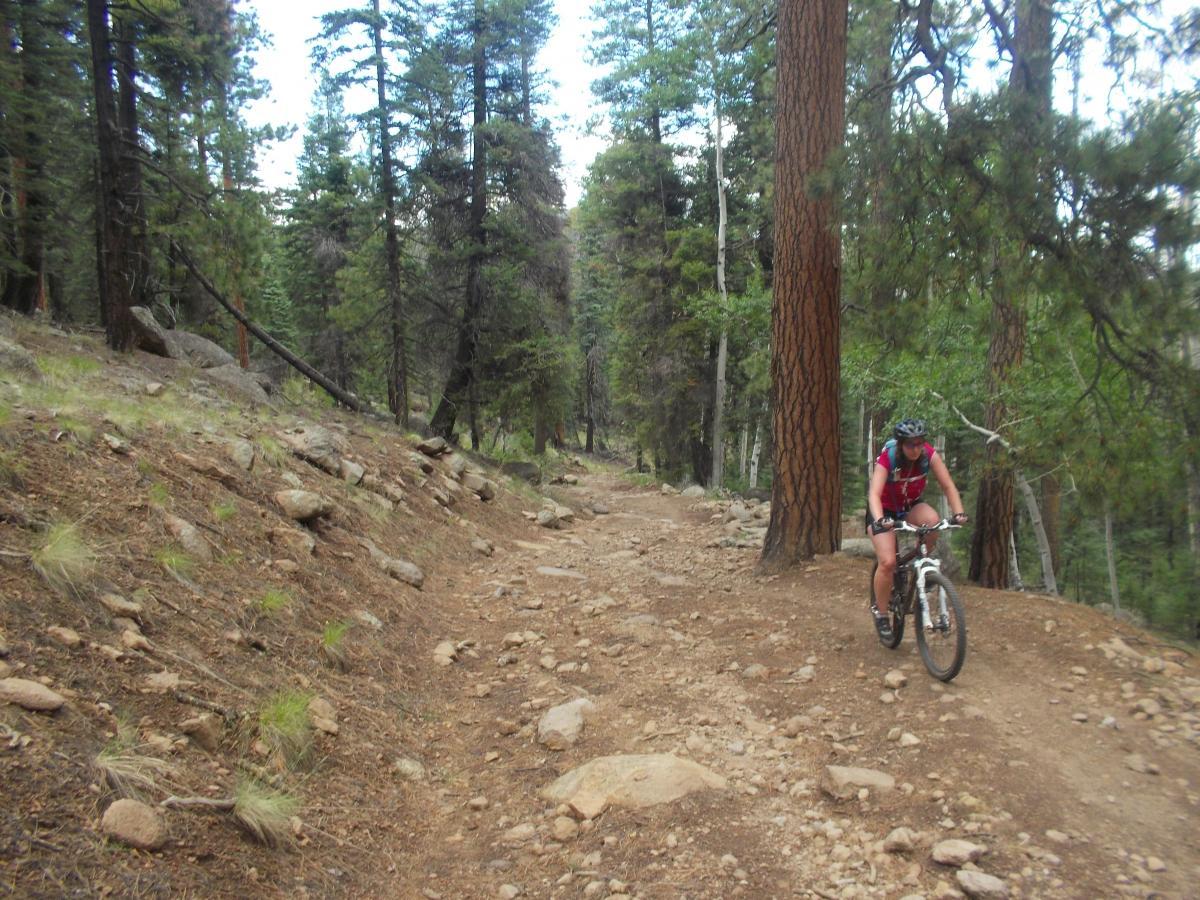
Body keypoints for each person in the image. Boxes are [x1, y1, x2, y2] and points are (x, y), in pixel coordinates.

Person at [867, 418, 968, 640]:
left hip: (909, 505)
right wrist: (880, 519)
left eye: (920, 443)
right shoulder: (889, 458)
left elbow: (948, 485)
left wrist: (959, 513)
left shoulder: (928, 455)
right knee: (888, 562)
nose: (916, 448)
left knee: (932, 522)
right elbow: (874, 493)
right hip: (883, 510)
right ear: (901, 444)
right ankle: (881, 612)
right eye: (911, 444)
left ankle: (918, 565)